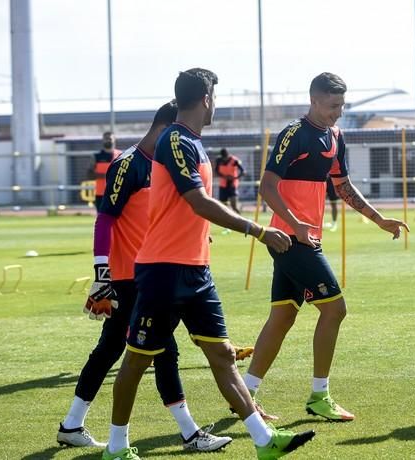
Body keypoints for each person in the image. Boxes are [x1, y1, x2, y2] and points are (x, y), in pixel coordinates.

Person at [102, 68, 314, 460]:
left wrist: (199, 234)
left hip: (196, 270)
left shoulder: (195, 144)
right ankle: (116, 447)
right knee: (136, 360)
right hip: (163, 270)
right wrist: (258, 230)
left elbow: (185, 210)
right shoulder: (177, 140)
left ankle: (265, 442)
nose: (215, 103)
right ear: (205, 99)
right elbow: (197, 201)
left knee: (222, 355)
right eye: (215, 96)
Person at [58, 102, 254, 452]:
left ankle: (72, 423)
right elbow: (105, 219)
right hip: (130, 275)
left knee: (113, 348)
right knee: (163, 351)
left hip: (155, 269)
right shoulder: (128, 163)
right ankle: (190, 433)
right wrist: (102, 273)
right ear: (163, 127)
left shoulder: (165, 165)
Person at [242, 72, 409, 422]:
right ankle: (320, 396)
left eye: (342, 105)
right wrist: (297, 224)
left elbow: (343, 185)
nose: (339, 112)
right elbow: (267, 187)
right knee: (335, 310)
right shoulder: (294, 133)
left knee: (284, 314)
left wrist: (379, 219)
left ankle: (245, 394)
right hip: (290, 239)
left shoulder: (335, 136)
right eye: (333, 105)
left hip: (305, 237)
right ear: (314, 100)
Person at [90, 132, 121, 212]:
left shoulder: (121, 155)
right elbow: (89, 175)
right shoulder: (96, 156)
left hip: (117, 193)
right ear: (102, 140)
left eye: (110, 138)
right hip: (101, 194)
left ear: (114, 140)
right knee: (102, 220)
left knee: (118, 221)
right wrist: (107, 175)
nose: (108, 140)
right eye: (106, 139)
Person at [215, 147, 245, 214]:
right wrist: (224, 177)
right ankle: (227, 219)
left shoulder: (235, 160)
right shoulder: (218, 160)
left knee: (234, 206)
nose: (225, 159)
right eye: (223, 158)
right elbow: (216, 171)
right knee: (223, 206)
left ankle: (239, 218)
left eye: (226, 157)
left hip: (232, 184)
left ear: (228, 155)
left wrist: (235, 178)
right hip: (223, 184)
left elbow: (243, 171)